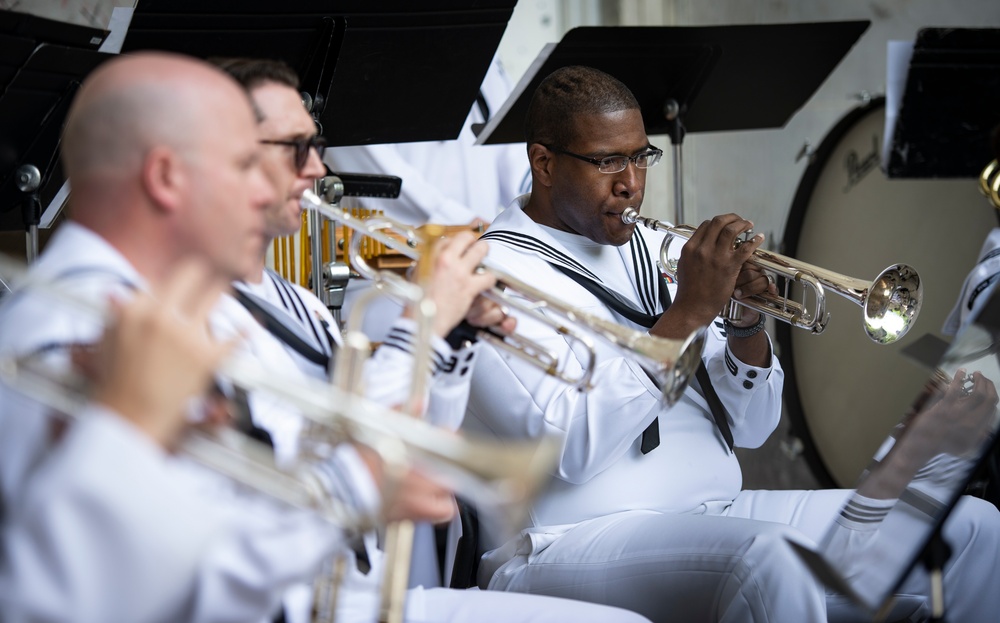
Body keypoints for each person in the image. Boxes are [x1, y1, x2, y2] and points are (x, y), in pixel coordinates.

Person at [461, 65, 1000, 623]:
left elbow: (752, 427)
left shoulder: (649, 245)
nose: (630, 183)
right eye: (606, 162)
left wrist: (744, 327)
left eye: (640, 157)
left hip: (713, 510)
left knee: (970, 527)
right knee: (770, 558)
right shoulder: (488, 274)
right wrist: (688, 312)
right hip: (567, 538)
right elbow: (570, 449)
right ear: (543, 163)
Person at [207, 57, 653, 623]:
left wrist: (453, 344)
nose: (319, 169)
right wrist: (426, 323)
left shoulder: (302, 304)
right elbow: (314, 463)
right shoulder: (191, 314)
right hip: (297, 593)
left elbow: (407, 432)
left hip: (363, 580)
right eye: (295, 148)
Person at [322, 54, 530, 228]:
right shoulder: (360, 50)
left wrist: (543, 207)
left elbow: (513, 150)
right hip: (398, 246)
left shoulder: (485, 51)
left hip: (486, 244)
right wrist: (456, 219)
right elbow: (365, 157)